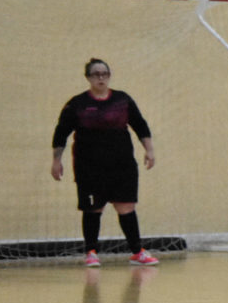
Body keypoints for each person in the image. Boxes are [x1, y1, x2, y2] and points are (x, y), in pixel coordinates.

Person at [51, 58, 160, 267]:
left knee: (126, 206)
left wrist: (149, 150)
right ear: (88, 78)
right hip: (89, 166)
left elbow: (140, 125)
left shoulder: (122, 100)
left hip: (122, 165)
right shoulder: (77, 104)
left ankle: (137, 252)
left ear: (109, 76)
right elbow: (60, 133)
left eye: (104, 74)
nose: (101, 78)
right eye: (96, 74)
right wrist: (56, 161)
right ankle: (91, 252)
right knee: (94, 209)